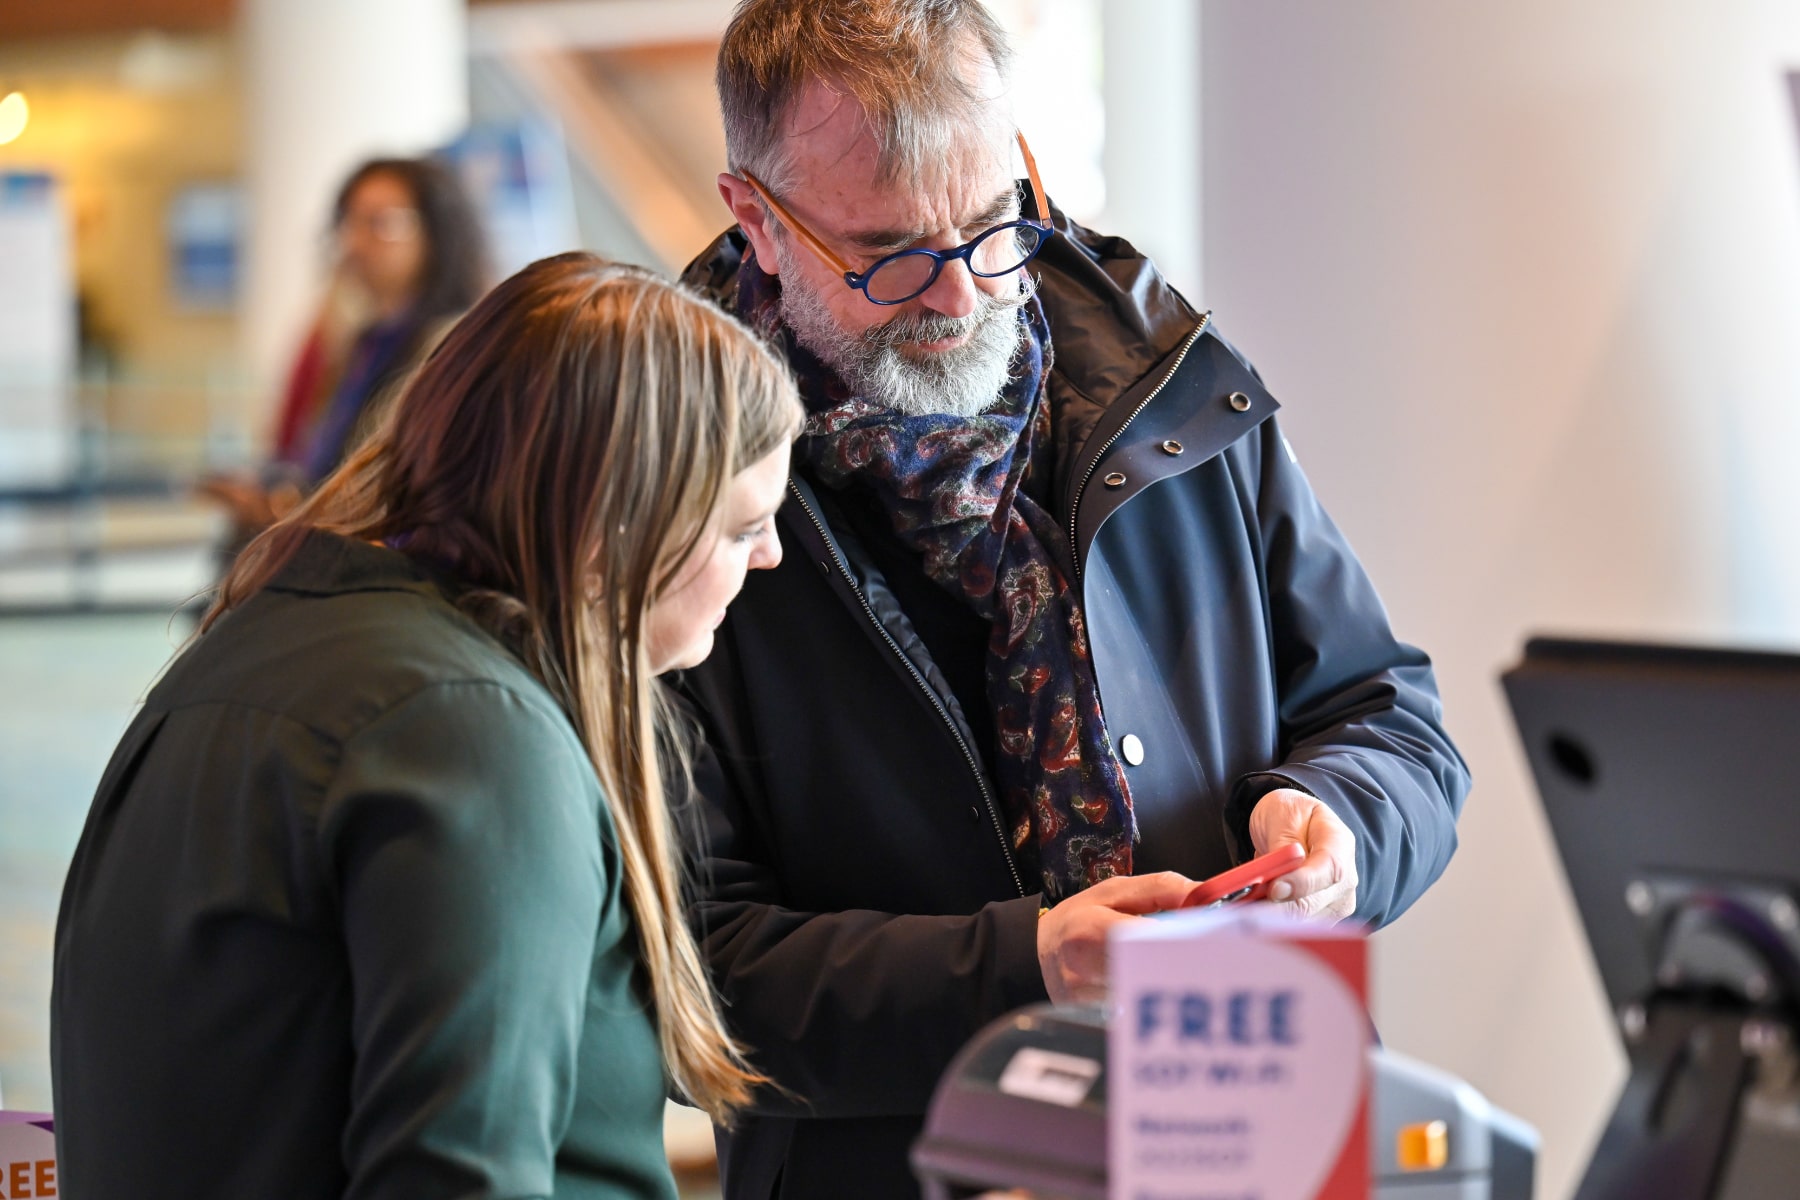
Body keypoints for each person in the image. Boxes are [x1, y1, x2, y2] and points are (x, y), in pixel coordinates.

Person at [675, 2, 1473, 1197]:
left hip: (1254, 1139)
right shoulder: (670, 482)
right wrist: (1025, 967)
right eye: (892, 257)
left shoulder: (1172, 382)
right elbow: (685, 972)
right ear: (760, 222)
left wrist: (1340, 828)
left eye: (993, 226)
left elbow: (1392, 715)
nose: (958, 299)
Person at [51, 254, 803, 1199]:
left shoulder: (263, 640)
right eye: (740, 527)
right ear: (622, 518)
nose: (769, 555)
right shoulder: (472, 730)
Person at [200, 156, 489, 534]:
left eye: (379, 224)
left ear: (437, 233)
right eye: (347, 222)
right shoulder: (365, 341)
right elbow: (324, 460)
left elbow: (412, 495)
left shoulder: (455, 349)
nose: (353, 243)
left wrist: (296, 511)